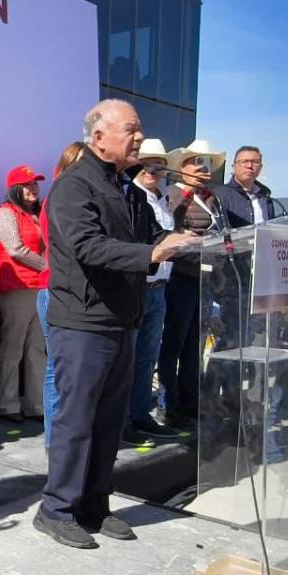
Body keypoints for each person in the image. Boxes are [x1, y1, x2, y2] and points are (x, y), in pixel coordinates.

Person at [36, 100, 192, 549]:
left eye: (140, 129)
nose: (139, 137)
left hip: (122, 319)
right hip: (83, 321)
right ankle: (56, 509)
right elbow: (87, 246)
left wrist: (176, 243)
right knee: (77, 420)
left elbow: (141, 241)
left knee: (109, 422)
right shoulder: (74, 186)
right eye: (131, 129)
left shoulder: (125, 187)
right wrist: (152, 255)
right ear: (98, 136)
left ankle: (93, 507)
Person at [159, 140, 226, 430]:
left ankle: (190, 401)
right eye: (197, 162)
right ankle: (168, 403)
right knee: (174, 343)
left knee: (194, 346)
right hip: (180, 278)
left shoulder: (212, 199)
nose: (203, 168)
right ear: (182, 167)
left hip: (205, 279)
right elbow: (164, 232)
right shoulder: (174, 195)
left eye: (206, 163)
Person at [122, 139, 180, 443]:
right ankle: (123, 423)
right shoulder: (129, 196)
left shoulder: (163, 199)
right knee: (128, 358)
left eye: (158, 164)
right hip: (136, 288)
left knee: (147, 358)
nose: (153, 170)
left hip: (160, 288)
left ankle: (141, 415)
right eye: (147, 163)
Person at [36, 142, 88, 446]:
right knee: (58, 369)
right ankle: (56, 445)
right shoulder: (58, 199)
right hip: (56, 291)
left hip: (73, 293)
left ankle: (68, 443)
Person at [0, 165, 47, 425]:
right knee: (13, 348)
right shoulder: (4, 213)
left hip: (40, 287)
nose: (33, 188)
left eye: (35, 183)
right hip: (16, 288)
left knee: (37, 348)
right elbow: (15, 249)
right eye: (27, 184)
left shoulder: (37, 215)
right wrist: (50, 267)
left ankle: (36, 404)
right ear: (14, 189)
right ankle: (8, 403)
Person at [215, 145, 284, 228]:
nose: (250, 166)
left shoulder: (266, 198)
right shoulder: (220, 194)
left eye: (255, 162)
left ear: (261, 167)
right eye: (244, 161)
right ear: (234, 166)